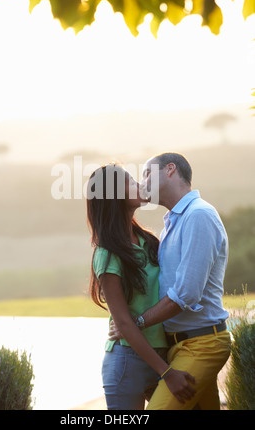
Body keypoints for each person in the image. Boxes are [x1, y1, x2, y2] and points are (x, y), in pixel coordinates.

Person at [109, 152, 231, 410]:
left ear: (170, 170)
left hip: (202, 345)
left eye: (147, 173)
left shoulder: (199, 215)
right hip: (178, 347)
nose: (142, 182)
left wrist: (135, 324)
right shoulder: (171, 224)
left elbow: (186, 294)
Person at [86, 163, 196, 410]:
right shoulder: (107, 253)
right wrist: (167, 373)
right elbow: (123, 322)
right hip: (128, 361)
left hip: (164, 353)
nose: (140, 185)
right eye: (131, 182)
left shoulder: (149, 241)